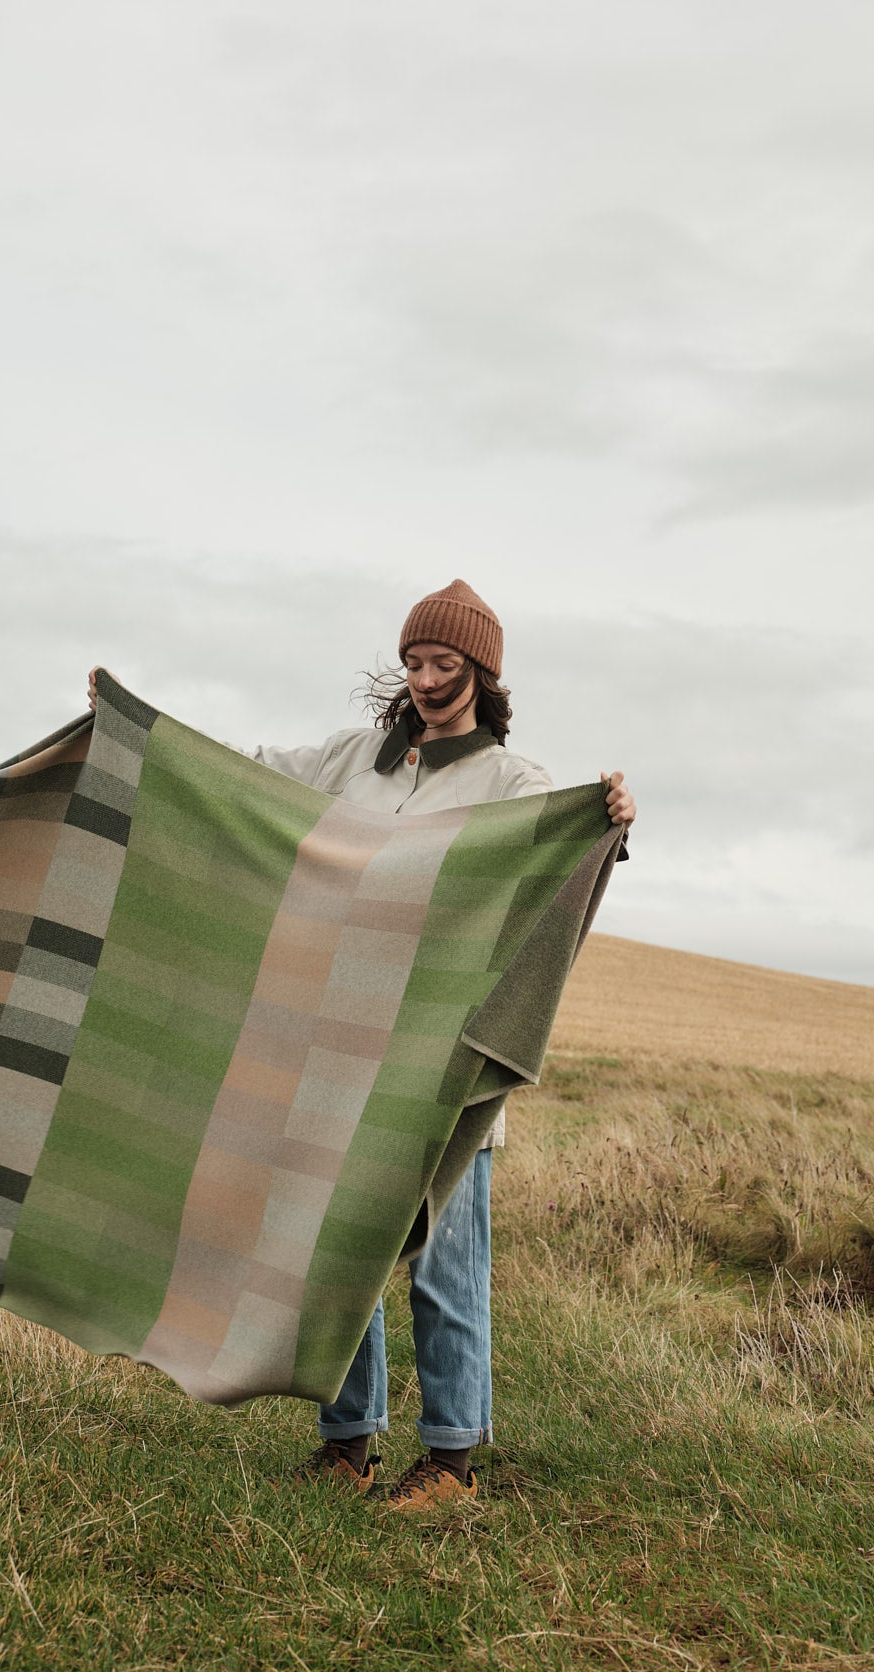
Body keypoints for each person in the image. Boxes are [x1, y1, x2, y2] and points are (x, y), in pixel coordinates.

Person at [88, 578, 636, 1515]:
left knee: (443, 1268)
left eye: (444, 664)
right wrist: (143, 732)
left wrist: (610, 823)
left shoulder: (514, 783)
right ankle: (349, 1444)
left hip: (442, 1063)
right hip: (336, 1055)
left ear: (482, 673)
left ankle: (453, 1464)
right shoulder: (352, 760)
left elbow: (556, 861)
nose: (424, 679)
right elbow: (241, 778)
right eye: (413, 662)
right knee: (330, 1252)